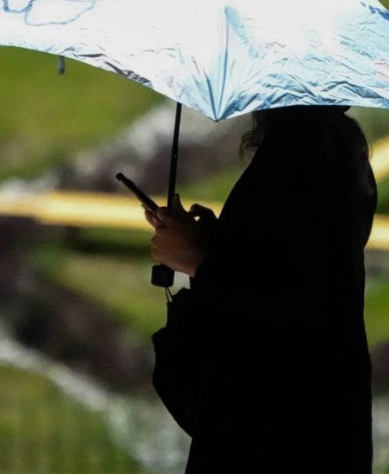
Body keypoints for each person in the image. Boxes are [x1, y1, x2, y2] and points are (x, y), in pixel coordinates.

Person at [144, 104, 377, 473]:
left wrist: (200, 259)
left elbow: (283, 313)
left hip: (276, 440)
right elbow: (284, 264)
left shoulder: (301, 158)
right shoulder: (330, 150)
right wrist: (214, 244)